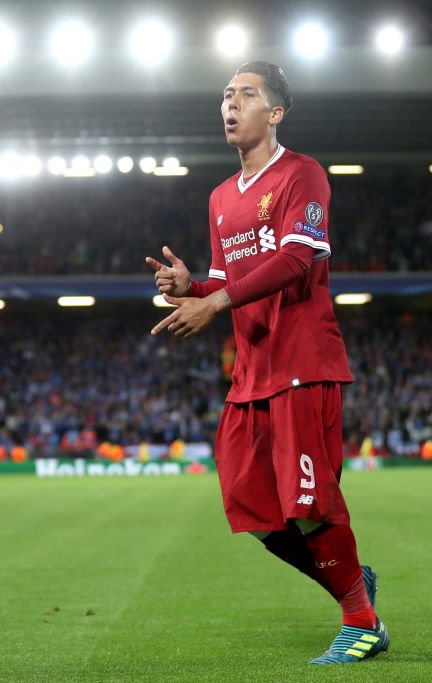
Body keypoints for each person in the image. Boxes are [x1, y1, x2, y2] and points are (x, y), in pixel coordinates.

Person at [146, 61, 387, 665]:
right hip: (250, 376)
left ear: (274, 113)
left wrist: (218, 300)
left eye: (246, 95)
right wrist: (194, 286)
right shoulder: (221, 198)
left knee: (310, 506)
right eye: (225, 94)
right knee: (253, 512)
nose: (231, 103)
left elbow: (298, 260)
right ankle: (352, 580)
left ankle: (362, 621)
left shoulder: (303, 175)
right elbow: (230, 279)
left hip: (302, 362)